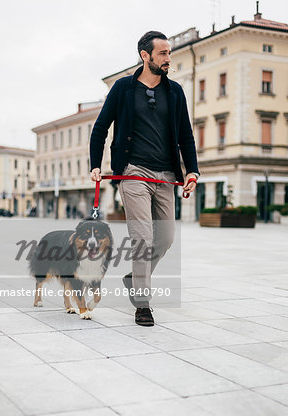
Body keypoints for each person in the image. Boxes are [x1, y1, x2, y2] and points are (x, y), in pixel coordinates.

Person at [90, 31, 200, 326]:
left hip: (165, 174)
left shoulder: (175, 91)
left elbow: (186, 135)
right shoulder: (123, 89)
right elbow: (100, 128)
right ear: (145, 56)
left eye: (169, 53)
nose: (168, 58)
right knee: (142, 236)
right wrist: (95, 164)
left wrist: (192, 170)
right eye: (163, 53)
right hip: (133, 171)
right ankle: (142, 304)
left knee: (164, 238)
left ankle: (133, 277)